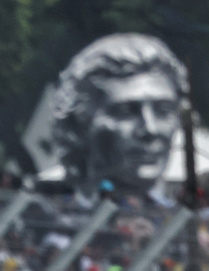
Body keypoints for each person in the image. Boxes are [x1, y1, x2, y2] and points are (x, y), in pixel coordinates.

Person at [48, 33, 188, 196]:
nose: (151, 129)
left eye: (163, 111)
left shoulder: (183, 219)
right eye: (126, 111)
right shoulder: (43, 219)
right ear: (79, 125)